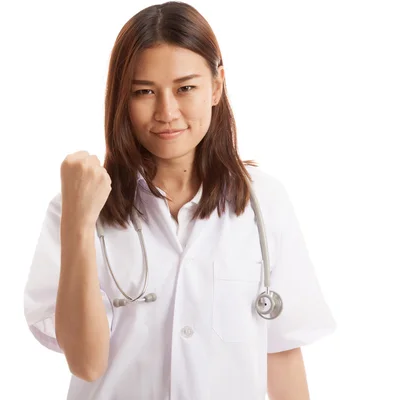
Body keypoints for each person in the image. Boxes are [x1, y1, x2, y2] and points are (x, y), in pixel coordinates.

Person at [23, 1, 336, 399]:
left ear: (217, 86)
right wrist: (78, 224)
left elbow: (282, 354)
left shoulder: (264, 202)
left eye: (185, 87)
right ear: (122, 98)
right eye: (144, 92)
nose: (166, 112)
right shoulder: (77, 207)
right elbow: (85, 362)